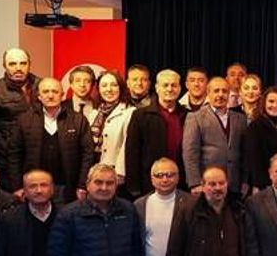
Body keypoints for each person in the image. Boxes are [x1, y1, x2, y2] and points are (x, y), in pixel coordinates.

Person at [167, 165, 252, 256]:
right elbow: (174, 254)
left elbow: (249, 249)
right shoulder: (187, 212)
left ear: (227, 184)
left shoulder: (238, 210)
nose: (217, 188)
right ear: (203, 186)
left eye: (221, 183)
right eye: (212, 184)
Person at [10, 77, 94, 204]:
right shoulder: (24, 120)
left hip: (66, 188)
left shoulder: (78, 120)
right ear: (39, 96)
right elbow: (14, 155)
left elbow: (88, 154)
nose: (50, 95)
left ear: (62, 95)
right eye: (46, 92)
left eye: (55, 91)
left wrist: (82, 185)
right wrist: (17, 186)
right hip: (34, 186)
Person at [0, 48, 39, 191]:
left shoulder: (42, 86)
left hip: (39, 160)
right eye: (12, 64)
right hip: (5, 163)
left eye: (23, 63)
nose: (18, 68)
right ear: (4, 65)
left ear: (29, 64)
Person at [125, 69, 187, 198]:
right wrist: (134, 187)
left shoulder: (188, 115)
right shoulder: (140, 116)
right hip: (148, 185)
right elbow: (132, 153)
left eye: (174, 85)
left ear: (180, 89)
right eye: (165, 85)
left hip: (181, 184)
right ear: (157, 88)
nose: (169, 89)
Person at [182, 76, 248, 193]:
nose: (220, 95)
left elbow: (245, 153)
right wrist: (195, 183)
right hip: (207, 184)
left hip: (234, 184)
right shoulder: (195, 118)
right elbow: (190, 153)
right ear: (208, 93)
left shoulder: (240, 119)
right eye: (216, 91)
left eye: (224, 91)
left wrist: (245, 181)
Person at [242, 87, 277, 192]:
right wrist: (257, 185)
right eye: (271, 101)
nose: (275, 105)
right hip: (263, 184)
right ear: (264, 103)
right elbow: (253, 159)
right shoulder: (255, 126)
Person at [91, 71, 136, 187]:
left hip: (115, 173)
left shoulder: (130, 112)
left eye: (114, 85)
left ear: (121, 88)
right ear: (98, 89)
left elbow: (127, 145)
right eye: (104, 85)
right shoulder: (95, 112)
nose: (109, 89)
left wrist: (119, 174)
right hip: (94, 171)